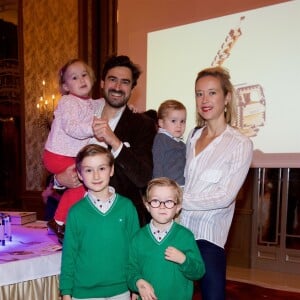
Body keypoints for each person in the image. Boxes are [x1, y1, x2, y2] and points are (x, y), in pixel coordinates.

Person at [55, 55, 157, 226]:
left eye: (125, 82)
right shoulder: (80, 114)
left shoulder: (143, 125)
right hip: (81, 221)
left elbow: (142, 177)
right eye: (112, 79)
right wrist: (58, 180)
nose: (117, 87)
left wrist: (114, 141)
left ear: (132, 88)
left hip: (122, 223)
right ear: (102, 83)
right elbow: (58, 153)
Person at [180, 66, 253, 300]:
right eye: (199, 93)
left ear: (227, 97)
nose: (204, 100)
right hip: (178, 231)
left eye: (212, 93)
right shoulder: (192, 135)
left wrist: (177, 201)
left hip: (208, 238)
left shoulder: (240, 143)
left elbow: (225, 196)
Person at [60, 144, 140, 300]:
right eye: (89, 170)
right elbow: (69, 254)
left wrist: (135, 284)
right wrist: (66, 292)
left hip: (121, 290)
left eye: (102, 168)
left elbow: (135, 251)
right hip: (83, 293)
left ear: (111, 170)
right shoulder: (76, 212)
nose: (96, 176)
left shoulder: (127, 207)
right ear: (80, 175)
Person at [43, 58, 99, 239]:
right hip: (58, 154)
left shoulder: (89, 102)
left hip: (68, 155)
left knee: (80, 186)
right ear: (65, 86)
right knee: (82, 182)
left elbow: (101, 104)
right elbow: (71, 127)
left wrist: (127, 107)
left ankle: (60, 221)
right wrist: (93, 127)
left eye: (84, 75)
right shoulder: (68, 101)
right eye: (74, 78)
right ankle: (59, 221)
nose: (81, 80)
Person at [127, 177, 205, 300]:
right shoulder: (138, 238)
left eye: (168, 201)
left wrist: (184, 260)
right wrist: (138, 283)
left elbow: (199, 272)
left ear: (178, 207)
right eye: (155, 201)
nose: (162, 207)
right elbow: (131, 271)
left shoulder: (185, 236)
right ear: (147, 205)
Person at [152, 99, 186, 186]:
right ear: (161, 123)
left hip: (181, 186)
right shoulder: (161, 139)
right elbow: (157, 164)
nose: (179, 125)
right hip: (167, 187)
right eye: (173, 121)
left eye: (182, 121)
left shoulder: (181, 143)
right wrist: (159, 185)